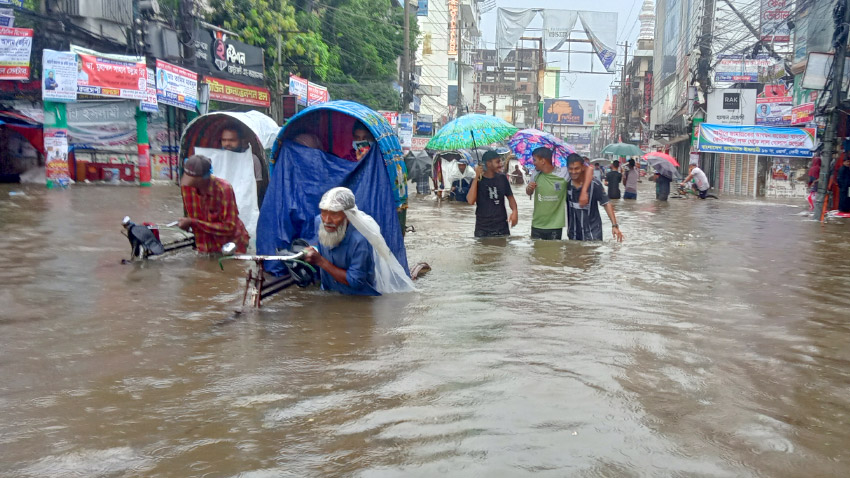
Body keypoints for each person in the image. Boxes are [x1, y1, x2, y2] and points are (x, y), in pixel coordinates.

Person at [303, 187, 415, 295]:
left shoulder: (360, 239)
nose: (327, 220)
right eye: (324, 212)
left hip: (358, 297)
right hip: (329, 291)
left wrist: (320, 261)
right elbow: (323, 244)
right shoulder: (319, 222)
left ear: (348, 215)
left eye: (334, 214)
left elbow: (355, 282)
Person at [178, 155, 250, 253]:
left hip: (231, 246)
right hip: (204, 247)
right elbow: (190, 215)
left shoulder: (224, 189)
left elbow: (229, 227)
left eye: (194, 180)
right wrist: (186, 223)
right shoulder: (186, 188)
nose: (190, 184)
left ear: (205, 177)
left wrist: (193, 222)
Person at [565, 153, 624, 242]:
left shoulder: (594, 184)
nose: (573, 172)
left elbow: (606, 203)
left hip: (593, 234)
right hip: (573, 234)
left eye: (576, 168)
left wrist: (614, 225)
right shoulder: (566, 184)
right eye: (571, 169)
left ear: (582, 168)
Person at [467, 149, 518, 237]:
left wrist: (514, 211)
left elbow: (510, 197)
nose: (501, 164)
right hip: (482, 228)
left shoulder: (502, 178)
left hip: (501, 226)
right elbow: (470, 201)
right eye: (497, 162)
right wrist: (476, 177)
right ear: (488, 163)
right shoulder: (477, 181)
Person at [525, 147, 568, 240]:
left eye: (535, 160)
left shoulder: (563, 173)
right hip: (537, 224)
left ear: (543, 161)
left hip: (555, 226)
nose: (533, 162)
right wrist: (529, 188)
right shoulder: (535, 174)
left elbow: (586, 169)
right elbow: (529, 192)